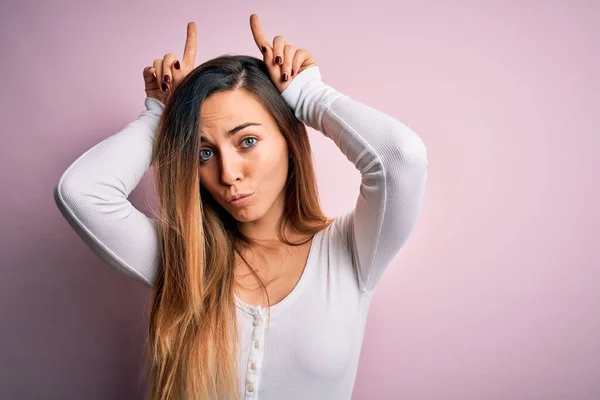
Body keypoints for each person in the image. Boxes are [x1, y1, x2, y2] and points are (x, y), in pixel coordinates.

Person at [53, 13, 428, 400]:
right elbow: (81, 191)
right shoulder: (185, 258)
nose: (228, 173)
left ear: (288, 138)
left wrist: (310, 97)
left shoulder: (350, 251)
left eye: (247, 141)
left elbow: (401, 158)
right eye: (203, 152)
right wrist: (161, 115)